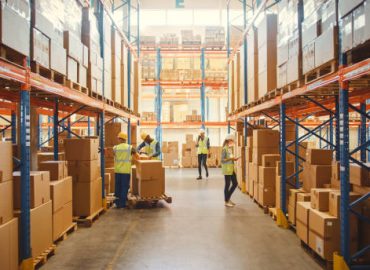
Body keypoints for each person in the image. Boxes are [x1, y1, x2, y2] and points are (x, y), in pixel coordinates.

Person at [113, 132, 139, 208]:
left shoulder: (115, 148)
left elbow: (114, 155)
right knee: (124, 187)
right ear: (125, 139)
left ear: (120, 139)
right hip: (125, 171)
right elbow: (137, 156)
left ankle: (117, 202)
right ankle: (122, 203)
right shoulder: (130, 147)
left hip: (117, 170)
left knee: (118, 186)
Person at [221, 134, 240, 207]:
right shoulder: (224, 148)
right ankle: (226, 201)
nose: (233, 142)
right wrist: (231, 159)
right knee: (227, 185)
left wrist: (234, 159)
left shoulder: (229, 148)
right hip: (227, 169)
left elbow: (230, 157)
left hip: (231, 168)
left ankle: (228, 198)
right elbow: (222, 160)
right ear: (229, 140)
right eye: (232, 141)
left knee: (235, 183)